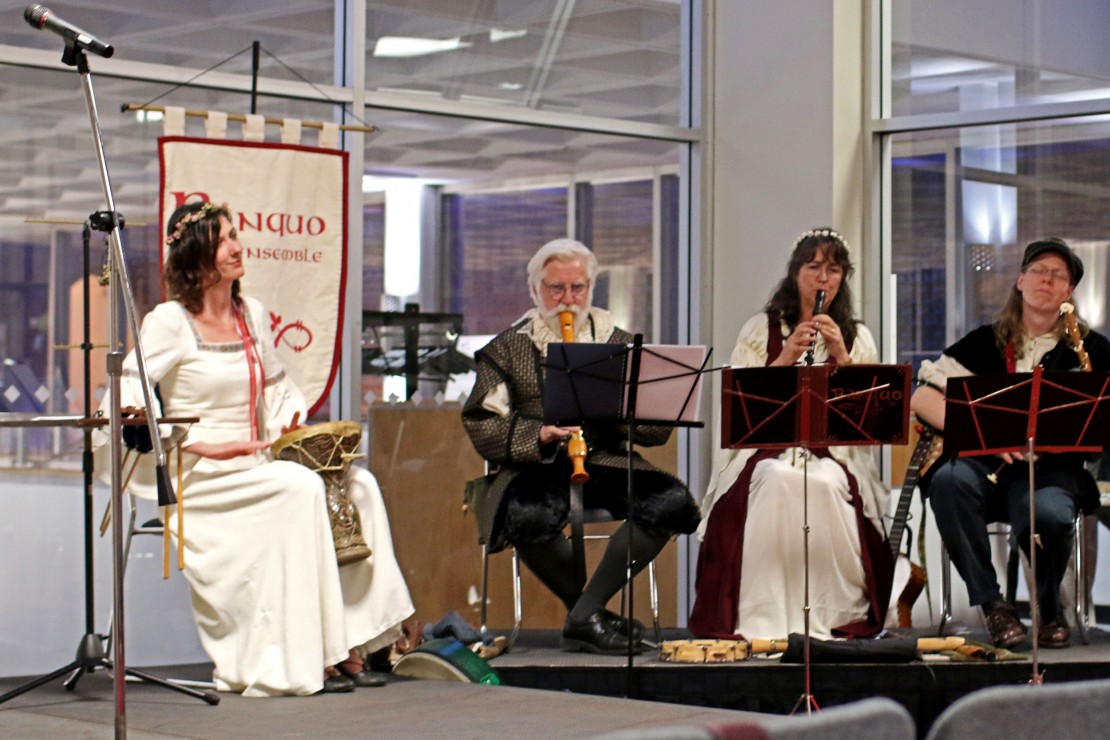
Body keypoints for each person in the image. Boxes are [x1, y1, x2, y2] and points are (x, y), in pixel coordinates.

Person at [109, 201, 415, 695]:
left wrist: (297, 432)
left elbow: (275, 392)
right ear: (195, 257)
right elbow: (125, 405)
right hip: (201, 477)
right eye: (223, 239)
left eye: (234, 235)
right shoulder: (168, 321)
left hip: (255, 461)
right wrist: (199, 445)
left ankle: (360, 638)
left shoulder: (250, 314)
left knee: (358, 484)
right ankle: (313, 656)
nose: (236, 246)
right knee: (297, 489)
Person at [461, 238, 700, 655]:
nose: (568, 300)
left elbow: (654, 432)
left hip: (604, 456)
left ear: (591, 289)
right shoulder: (507, 347)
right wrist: (537, 434)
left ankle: (583, 615)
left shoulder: (620, 342)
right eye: (556, 289)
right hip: (536, 463)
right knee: (526, 514)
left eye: (578, 288)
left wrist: (618, 409)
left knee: (670, 501)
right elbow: (482, 422)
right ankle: (588, 616)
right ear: (535, 291)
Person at [690, 228, 892, 640]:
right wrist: (785, 356)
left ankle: (830, 617)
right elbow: (740, 411)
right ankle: (761, 619)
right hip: (766, 451)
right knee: (774, 478)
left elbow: (869, 425)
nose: (823, 278)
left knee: (828, 482)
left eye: (832, 270)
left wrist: (842, 357)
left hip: (833, 454)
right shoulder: (759, 329)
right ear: (795, 273)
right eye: (813, 267)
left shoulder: (858, 335)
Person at [910, 237, 1110, 649]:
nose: (1047, 280)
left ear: (1069, 292)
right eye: (1039, 271)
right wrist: (980, 432)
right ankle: (993, 606)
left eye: (1059, 276)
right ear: (1020, 280)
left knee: (1050, 513)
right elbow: (922, 397)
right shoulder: (985, 341)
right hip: (987, 467)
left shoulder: (1092, 350)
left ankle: (1049, 607)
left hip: (1053, 471)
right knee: (947, 483)